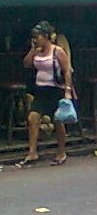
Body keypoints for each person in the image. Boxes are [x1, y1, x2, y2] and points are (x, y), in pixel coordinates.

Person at [19, 21, 74, 166]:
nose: (35, 39)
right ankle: (32, 152)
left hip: (56, 90)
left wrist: (67, 91)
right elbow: (26, 64)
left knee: (57, 121)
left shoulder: (57, 51)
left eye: (38, 37)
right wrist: (32, 50)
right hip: (41, 90)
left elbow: (67, 71)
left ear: (46, 37)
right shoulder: (36, 51)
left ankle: (61, 152)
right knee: (33, 117)